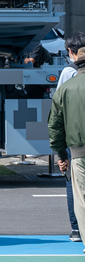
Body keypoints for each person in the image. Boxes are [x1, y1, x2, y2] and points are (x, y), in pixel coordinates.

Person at [49, 39, 85, 255]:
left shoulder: (65, 88)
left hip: (80, 153)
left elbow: (55, 126)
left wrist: (62, 155)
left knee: (82, 200)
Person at [58, 32, 85, 242]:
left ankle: (76, 228)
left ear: (70, 52)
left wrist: (59, 151)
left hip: (74, 138)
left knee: (73, 183)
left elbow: (58, 111)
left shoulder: (68, 73)